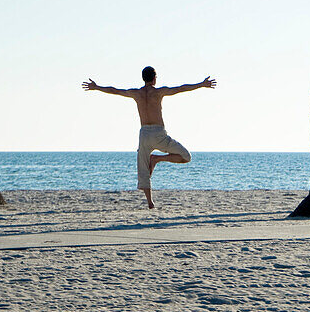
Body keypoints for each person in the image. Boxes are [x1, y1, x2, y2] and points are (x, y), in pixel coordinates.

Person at [82, 67, 216, 208]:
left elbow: (115, 90)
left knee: (143, 168)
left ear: (143, 78)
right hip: (159, 133)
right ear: (154, 78)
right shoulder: (159, 92)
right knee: (186, 156)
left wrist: (96, 87)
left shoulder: (136, 93)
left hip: (144, 133)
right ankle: (158, 159)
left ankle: (150, 201)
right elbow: (180, 88)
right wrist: (201, 84)